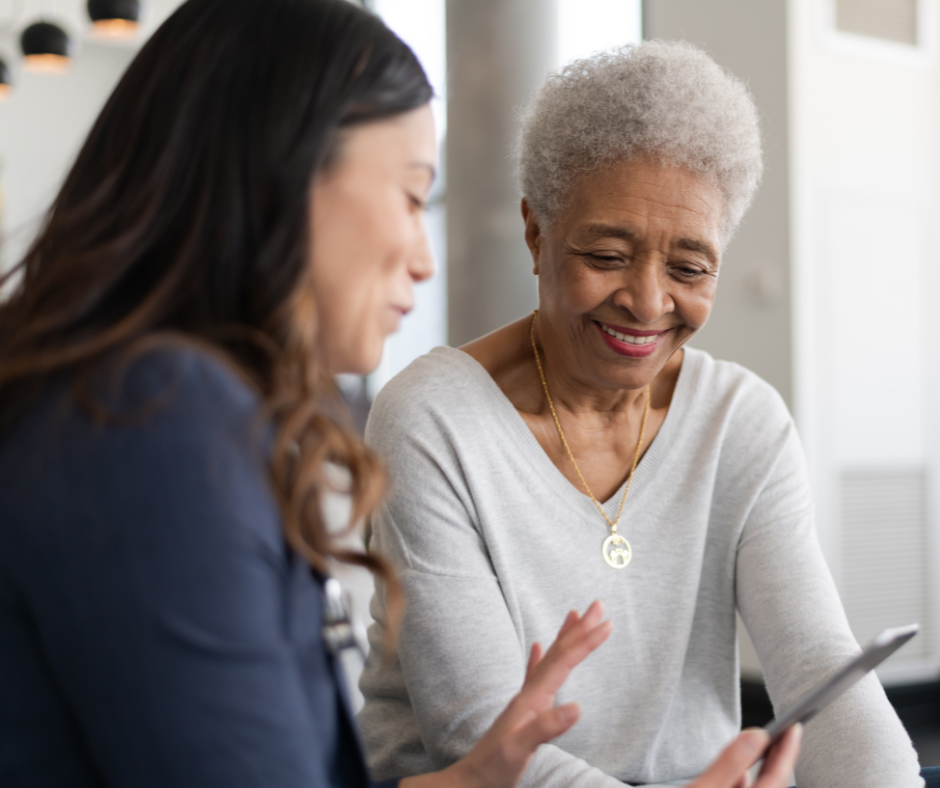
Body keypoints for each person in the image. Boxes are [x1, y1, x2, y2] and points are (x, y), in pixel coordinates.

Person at [0, 2, 805, 787]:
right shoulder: (154, 420)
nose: (424, 259)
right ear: (278, 178)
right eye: (413, 196)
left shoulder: (153, 402)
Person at [357, 41, 938, 788]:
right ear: (537, 232)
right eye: (606, 254)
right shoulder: (433, 420)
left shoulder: (742, 422)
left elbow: (821, 669)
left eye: (690, 268)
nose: (648, 301)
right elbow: (481, 735)